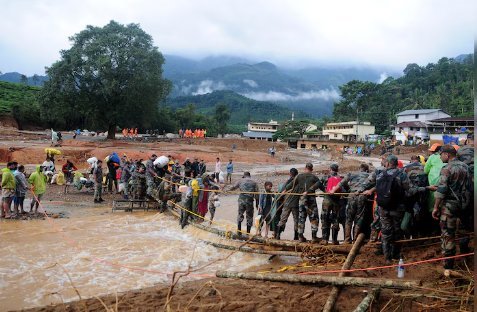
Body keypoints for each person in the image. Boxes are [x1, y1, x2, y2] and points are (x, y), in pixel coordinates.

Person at [363, 155, 411, 263]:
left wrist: (368, 190)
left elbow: (371, 184)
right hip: (398, 208)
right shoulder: (401, 174)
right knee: (397, 231)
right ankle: (396, 255)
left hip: (383, 208)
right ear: (396, 163)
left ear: (388, 163)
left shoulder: (380, 174)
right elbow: (409, 189)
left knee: (385, 232)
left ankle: (387, 257)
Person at [429, 145, 470, 269]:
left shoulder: (447, 168)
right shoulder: (466, 167)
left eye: (441, 154)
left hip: (449, 207)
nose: (440, 157)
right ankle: (465, 257)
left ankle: (448, 265)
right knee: (463, 232)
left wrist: (436, 207)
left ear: (447, 154)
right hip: (464, 205)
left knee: (448, 234)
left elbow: (442, 190)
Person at [330, 163, 370, 243]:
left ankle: (347, 239)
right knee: (358, 218)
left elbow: (342, 182)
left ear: (360, 168)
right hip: (362, 196)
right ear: (366, 170)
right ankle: (355, 240)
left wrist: (333, 190)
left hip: (351, 196)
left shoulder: (352, 174)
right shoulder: (368, 175)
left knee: (349, 218)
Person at [284, 163, 321, 243]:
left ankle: (300, 237)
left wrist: (284, 190)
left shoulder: (299, 176)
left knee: (301, 218)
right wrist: (326, 192)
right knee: (314, 218)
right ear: (312, 169)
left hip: (301, 200)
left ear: (305, 168)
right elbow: (321, 186)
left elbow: (290, 185)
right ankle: (314, 238)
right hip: (311, 200)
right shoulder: (314, 177)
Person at [319, 164, 343, 245]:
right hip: (337, 201)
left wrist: (325, 190)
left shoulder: (325, 177)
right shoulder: (341, 178)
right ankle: (334, 240)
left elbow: (319, 184)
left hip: (327, 200)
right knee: (336, 219)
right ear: (337, 170)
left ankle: (324, 239)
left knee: (324, 218)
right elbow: (345, 188)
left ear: (330, 169)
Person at [276, 168, 299, 240]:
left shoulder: (287, 182)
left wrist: (279, 199)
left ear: (290, 174)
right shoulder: (299, 181)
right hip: (295, 204)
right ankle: (296, 237)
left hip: (287, 203)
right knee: (296, 220)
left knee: (283, 219)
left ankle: (278, 235)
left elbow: (282, 192)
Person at [424, 143, 444, 214]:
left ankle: (432, 211)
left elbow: (426, 170)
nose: (431, 152)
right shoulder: (446, 157)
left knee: (432, 197)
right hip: (444, 180)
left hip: (434, 180)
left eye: (432, 151)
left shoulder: (432, 157)